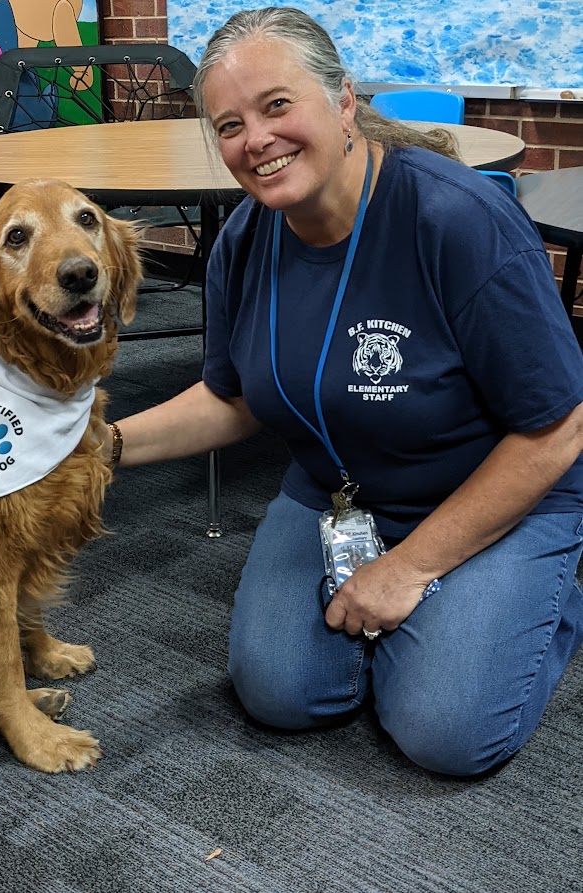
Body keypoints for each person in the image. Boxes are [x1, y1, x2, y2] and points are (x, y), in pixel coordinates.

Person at [101, 6, 583, 777]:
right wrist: (103, 446)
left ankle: (540, 595)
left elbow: (557, 428)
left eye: (277, 105)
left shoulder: (457, 219)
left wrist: (407, 568)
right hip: (339, 491)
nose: (254, 140)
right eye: (228, 125)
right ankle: (438, 617)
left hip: (485, 482)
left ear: (344, 101)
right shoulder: (245, 239)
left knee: (442, 730)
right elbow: (231, 398)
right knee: (281, 692)